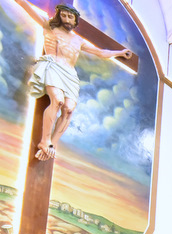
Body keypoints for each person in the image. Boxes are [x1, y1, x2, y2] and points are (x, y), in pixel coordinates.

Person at [10, 0, 133, 161]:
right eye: (64, 15)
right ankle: (44, 141)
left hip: (70, 75)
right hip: (53, 66)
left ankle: (52, 145)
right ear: (59, 16)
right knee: (58, 100)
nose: (67, 19)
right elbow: (26, 7)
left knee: (68, 109)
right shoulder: (49, 26)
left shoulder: (78, 41)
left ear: (75, 20)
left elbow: (101, 52)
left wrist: (120, 53)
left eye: (70, 17)